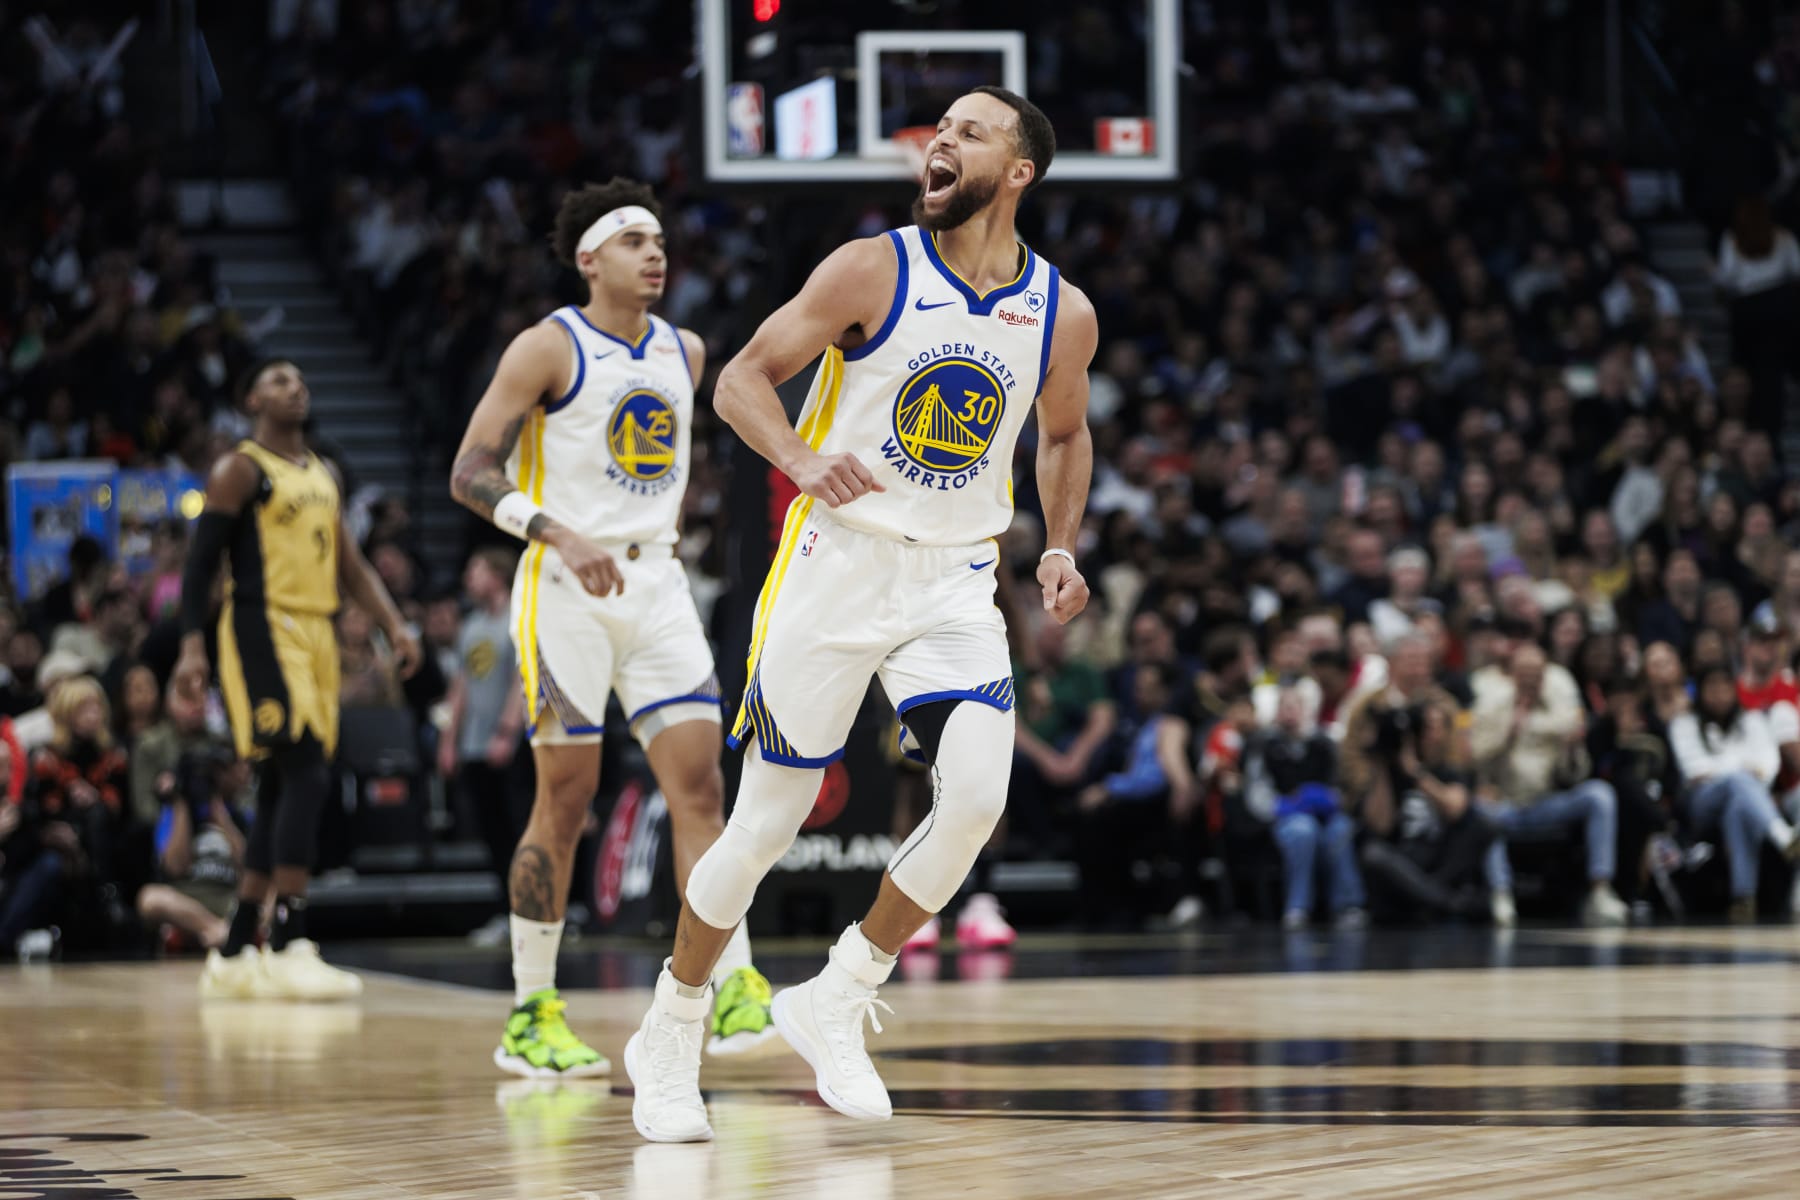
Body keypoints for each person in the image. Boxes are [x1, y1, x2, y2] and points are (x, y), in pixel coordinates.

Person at [627, 86, 1096, 1142]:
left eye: (970, 132)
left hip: (956, 580)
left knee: (974, 798)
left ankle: (839, 992)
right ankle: (671, 1025)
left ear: (1019, 171)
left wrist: (1059, 542)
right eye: (939, 129)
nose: (942, 140)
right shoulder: (872, 268)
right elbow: (742, 381)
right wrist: (799, 459)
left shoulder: (1061, 310)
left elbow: (1063, 436)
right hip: (836, 567)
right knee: (764, 825)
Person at [449, 177, 771, 1077]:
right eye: (634, 240)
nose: (655, 253)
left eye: (661, 240)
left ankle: (731, 984)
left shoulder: (689, 350)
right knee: (567, 798)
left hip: (657, 581)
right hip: (563, 586)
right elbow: (468, 471)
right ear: (590, 258)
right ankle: (531, 1012)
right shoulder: (546, 347)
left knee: (704, 789)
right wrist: (556, 528)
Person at [175, 359, 421, 1001]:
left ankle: (234, 952)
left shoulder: (323, 473)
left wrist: (394, 626)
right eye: (279, 380)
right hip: (260, 626)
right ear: (252, 397)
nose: (296, 387)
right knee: (307, 770)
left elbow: (351, 563)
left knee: (286, 778)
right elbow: (199, 568)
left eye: (300, 379)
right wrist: (190, 649)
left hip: (317, 628)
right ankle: (288, 938)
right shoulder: (240, 469)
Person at [1469, 643, 1629, 926]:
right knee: (1480, 811)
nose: (1530, 679)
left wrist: (1571, 750)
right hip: (1504, 803)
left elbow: (1576, 774)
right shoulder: (1492, 708)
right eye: (1524, 672)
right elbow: (1475, 759)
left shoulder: (1561, 712)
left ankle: (1600, 890)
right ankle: (1501, 893)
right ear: (1512, 674)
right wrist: (1509, 733)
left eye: (1536, 673)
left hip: (1546, 802)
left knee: (1599, 795)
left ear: (1545, 675)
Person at [437, 547, 528, 947]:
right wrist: (449, 740)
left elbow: (522, 681)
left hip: (506, 744)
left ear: (497, 575)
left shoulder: (517, 619)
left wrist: (507, 732)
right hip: (474, 744)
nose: (468, 578)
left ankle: (532, 912)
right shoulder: (471, 626)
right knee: (492, 833)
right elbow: (459, 687)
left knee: (518, 827)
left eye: (476, 569)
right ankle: (507, 912)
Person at [1669, 665, 1800, 921]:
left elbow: (1767, 764)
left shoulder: (1750, 720)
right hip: (1701, 803)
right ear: (1701, 692)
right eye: (1712, 687)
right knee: (1739, 782)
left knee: (1739, 804)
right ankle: (1784, 839)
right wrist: (1740, 769)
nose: (1719, 694)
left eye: (1725, 687)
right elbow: (1695, 770)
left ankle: (1743, 897)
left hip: (1745, 798)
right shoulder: (1684, 722)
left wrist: (1735, 771)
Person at [1248, 687, 1366, 930]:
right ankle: (1298, 906)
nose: (1289, 713)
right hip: (1287, 817)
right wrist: (1282, 805)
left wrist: (1329, 799)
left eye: (1295, 706)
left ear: (1306, 711)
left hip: (1326, 814)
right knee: (1303, 831)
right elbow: (1256, 792)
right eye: (1284, 706)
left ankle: (1348, 905)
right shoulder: (1264, 743)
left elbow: (1342, 787)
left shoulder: (1324, 743)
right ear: (1276, 712)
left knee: (1341, 829)